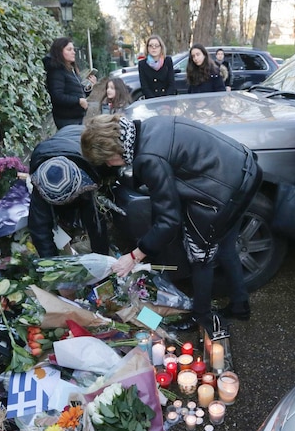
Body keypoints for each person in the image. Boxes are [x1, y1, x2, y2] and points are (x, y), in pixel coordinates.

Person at [80, 114, 261, 331]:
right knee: (226, 246)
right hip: (244, 172)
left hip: (221, 193)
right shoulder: (150, 125)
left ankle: (201, 317)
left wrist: (135, 255)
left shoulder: (148, 159)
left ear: (113, 151)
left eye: (107, 160)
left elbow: (169, 220)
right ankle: (240, 306)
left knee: (201, 257)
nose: (110, 165)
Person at [28, 125, 109, 257]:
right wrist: (52, 267)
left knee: (92, 213)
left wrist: (102, 259)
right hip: (60, 142)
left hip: (79, 139)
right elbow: (39, 229)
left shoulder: (91, 169)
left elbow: (96, 221)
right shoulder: (42, 180)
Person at [45, 37, 94, 129]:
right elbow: (57, 96)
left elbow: (78, 93)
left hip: (76, 118)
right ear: (59, 51)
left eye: (73, 49)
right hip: (66, 120)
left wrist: (89, 86)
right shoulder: (56, 71)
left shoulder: (70, 70)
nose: (73, 52)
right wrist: (78, 101)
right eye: (69, 49)